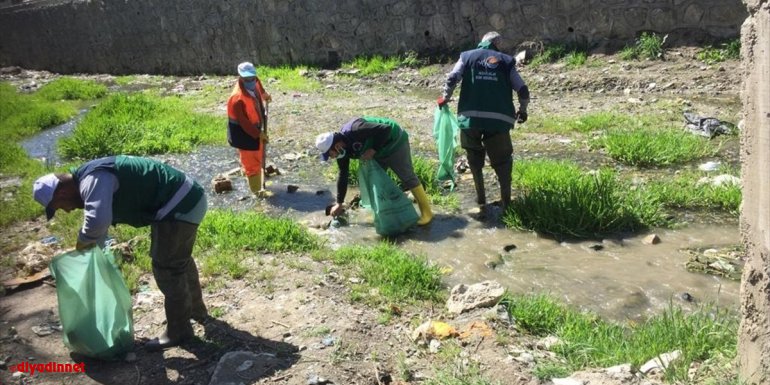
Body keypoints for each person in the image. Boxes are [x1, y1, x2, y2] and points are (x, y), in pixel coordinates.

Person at [32, 155, 208, 351]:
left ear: (62, 192)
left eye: (60, 205)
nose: (67, 210)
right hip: (187, 196)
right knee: (178, 260)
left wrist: (81, 248)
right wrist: (90, 259)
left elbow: (97, 222)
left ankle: (179, 331)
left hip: (180, 202)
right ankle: (196, 310)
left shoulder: (93, 179)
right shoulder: (90, 179)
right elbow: (100, 227)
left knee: (167, 267)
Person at [438, 31, 530, 212]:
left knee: (473, 159)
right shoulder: (506, 61)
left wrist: (445, 98)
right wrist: (523, 110)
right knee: (503, 162)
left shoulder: (466, 57)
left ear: (482, 42)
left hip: (470, 120)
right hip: (499, 121)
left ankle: (481, 200)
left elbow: (452, 77)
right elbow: (522, 89)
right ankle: (506, 203)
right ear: (497, 43)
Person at [315, 117, 433, 225]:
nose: (332, 157)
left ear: (336, 146)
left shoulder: (356, 130)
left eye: (330, 154)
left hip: (395, 141)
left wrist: (373, 150)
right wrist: (339, 203)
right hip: (379, 150)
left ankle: (426, 213)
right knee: (374, 181)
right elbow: (343, 174)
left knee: (407, 177)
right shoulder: (342, 153)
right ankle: (384, 213)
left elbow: (385, 129)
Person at [227, 61, 272, 198]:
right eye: (247, 79)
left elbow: (258, 85)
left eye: (252, 77)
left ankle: (256, 177)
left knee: (259, 154)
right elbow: (243, 122)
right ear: (241, 78)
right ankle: (257, 193)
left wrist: (264, 94)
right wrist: (258, 134)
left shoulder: (254, 81)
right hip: (243, 134)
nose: (251, 81)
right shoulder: (237, 98)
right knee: (251, 162)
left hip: (255, 128)